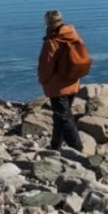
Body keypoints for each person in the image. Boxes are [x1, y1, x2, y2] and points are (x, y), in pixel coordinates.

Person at [38, 9, 89, 152]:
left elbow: (45, 67)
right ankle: (55, 146)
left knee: (64, 117)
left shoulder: (52, 42)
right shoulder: (73, 35)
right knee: (60, 116)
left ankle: (77, 149)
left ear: (48, 22)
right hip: (72, 81)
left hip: (58, 87)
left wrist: (43, 81)